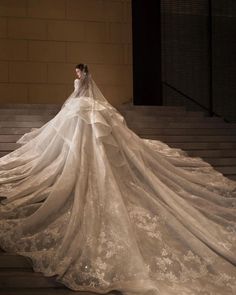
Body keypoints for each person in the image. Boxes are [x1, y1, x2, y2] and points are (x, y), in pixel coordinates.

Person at [0, 63, 236, 295]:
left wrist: (74, 102)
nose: (77, 75)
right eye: (77, 73)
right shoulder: (87, 90)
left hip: (82, 111)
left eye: (78, 72)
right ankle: (85, 155)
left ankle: (87, 156)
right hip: (84, 111)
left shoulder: (82, 88)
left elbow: (77, 96)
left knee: (84, 135)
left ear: (82, 73)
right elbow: (80, 96)